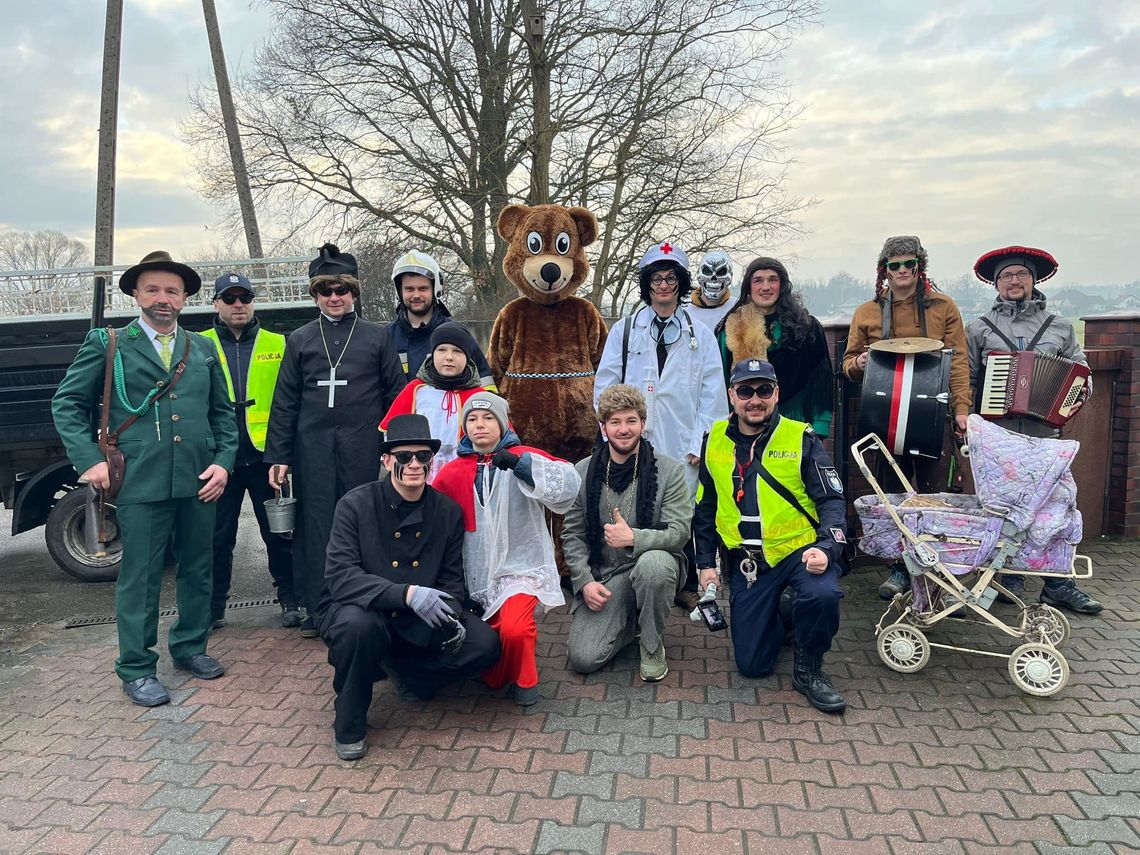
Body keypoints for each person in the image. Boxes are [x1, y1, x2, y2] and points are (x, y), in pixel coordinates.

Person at [52, 251, 238, 707]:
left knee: (199, 567)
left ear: (185, 297)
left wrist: (224, 461)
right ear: (136, 293)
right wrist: (87, 461)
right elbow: (67, 404)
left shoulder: (204, 347)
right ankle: (136, 668)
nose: (162, 299)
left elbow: (223, 414)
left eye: (171, 291)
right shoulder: (109, 343)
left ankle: (191, 646)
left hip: (199, 478)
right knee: (141, 576)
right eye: (152, 289)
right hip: (139, 480)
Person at [318, 414, 501, 760]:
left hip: (420, 613)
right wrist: (406, 594)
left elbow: (451, 578)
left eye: (423, 457)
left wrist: (454, 613)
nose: (415, 464)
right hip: (363, 607)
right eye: (404, 457)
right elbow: (341, 575)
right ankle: (350, 721)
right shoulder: (355, 505)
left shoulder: (446, 511)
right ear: (387, 460)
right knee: (359, 629)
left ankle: (407, 673)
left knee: (484, 644)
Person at [264, 243, 406, 637]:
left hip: (365, 446)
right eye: (326, 291)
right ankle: (320, 607)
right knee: (317, 526)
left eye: (342, 290)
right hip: (313, 450)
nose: (334, 297)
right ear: (315, 295)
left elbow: (396, 396)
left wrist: (397, 449)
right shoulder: (301, 339)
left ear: (354, 293)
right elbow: (285, 401)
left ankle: (371, 602)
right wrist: (279, 456)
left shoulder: (377, 337)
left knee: (367, 521)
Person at [693, 358, 848, 713]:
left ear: (776, 394)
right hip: (750, 562)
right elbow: (704, 509)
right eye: (745, 390)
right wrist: (705, 565)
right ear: (732, 395)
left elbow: (832, 501)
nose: (755, 399)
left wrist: (827, 548)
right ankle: (786, 613)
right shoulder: (713, 439)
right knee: (752, 666)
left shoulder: (800, 437)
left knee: (823, 594)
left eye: (764, 390)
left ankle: (810, 670)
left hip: (800, 553)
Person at [967, 245, 1101, 615]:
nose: (1014, 281)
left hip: (1045, 436)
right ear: (996, 284)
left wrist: (1077, 392)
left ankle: (1059, 584)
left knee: (1057, 507)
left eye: (1021, 274)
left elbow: (1081, 371)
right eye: (1006, 276)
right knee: (1004, 507)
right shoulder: (978, 328)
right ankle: (1008, 579)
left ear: (1033, 279)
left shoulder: (1058, 326)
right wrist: (969, 415)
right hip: (1000, 436)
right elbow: (967, 379)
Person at [593, 241, 725, 610]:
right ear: (646, 284)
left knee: (678, 512)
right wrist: (611, 431)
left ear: (682, 283)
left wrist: (701, 442)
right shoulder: (625, 330)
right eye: (656, 278)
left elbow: (713, 395)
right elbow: (604, 386)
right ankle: (631, 577)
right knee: (633, 505)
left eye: (671, 278)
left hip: (681, 441)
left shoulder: (701, 335)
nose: (663, 285)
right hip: (631, 438)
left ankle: (679, 581)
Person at [842, 236, 971, 600]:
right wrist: (859, 364)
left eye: (909, 264)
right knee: (892, 495)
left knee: (935, 496)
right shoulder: (866, 311)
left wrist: (962, 410)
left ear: (920, 267)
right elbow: (848, 363)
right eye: (894, 265)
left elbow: (959, 361)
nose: (902, 271)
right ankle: (899, 569)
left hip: (933, 415)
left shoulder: (944, 307)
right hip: (884, 418)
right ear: (884, 270)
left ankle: (939, 577)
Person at [433, 392, 580, 705]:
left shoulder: (524, 455)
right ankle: (498, 672)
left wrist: (521, 466)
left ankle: (526, 682)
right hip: (473, 575)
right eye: (472, 419)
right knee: (487, 647)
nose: (480, 425)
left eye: (488, 418)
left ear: (502, 423)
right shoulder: (451, 472)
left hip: (519, 567)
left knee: (515, 629)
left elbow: (567, 485)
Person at [562, 384, 693, 682]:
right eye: (615, 422)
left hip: (654, 565)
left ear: (643, 424)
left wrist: (634, 538)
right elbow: (572, 533)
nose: (624, 429)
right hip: (606, 574)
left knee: (654, 567)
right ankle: (632, 618)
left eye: (631, 420)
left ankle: (650, 643)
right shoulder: (582, 472)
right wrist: (583, 582)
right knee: (583, 658)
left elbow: (680, 531)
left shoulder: (669, 471)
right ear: (603, 426)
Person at [200, 272, 298, 629]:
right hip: (219, 461)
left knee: (280, 534)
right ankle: (213, 609)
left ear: (253, 301)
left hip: (266, 460)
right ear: (216, 304)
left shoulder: (279, 343)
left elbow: (291, 401)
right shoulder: (199, 343)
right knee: (216, 538)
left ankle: (291, 599)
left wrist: (283, 454)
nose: (238, 304)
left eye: (245, 297)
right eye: (230, 299)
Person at [716, 257, 833, 437]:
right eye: (758, 280)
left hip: (797, 425)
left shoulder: (807, 327)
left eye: (772, 280)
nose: (765, 287)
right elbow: (720, 382)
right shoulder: (731, 330)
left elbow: (821, 378)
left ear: (782, 285)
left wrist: (820, 426)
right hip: (746, 426)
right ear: (749, 286)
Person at [379, 321, 489, 482]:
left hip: (466, 474)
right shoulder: (416, 390)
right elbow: (392, 431)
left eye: (457, 351)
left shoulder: (479, 396)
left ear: (468, 357)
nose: (449, 357)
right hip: (421, 470)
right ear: (432, 353)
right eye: (442, 350)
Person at [385, 250, 495, 389]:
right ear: (399, 291)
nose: (416, 295)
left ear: (435, 288)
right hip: (400, 410)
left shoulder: (457, 334)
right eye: (409, 289)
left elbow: (485, 382)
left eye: (423, 288)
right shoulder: (386, 337)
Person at [688, 250, 735, 333]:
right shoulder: (684, 311)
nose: (713, 278)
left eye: (721, 272)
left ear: (730, 277)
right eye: (707, 271)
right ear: (698, 274)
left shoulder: (738, 309)